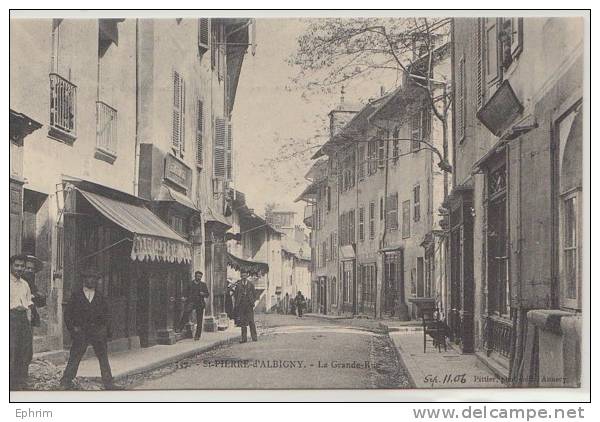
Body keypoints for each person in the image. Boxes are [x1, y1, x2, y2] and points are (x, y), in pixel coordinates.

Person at [60, 268, 122, 390]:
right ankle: (65, 382)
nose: (91, 281)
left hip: (98, 332)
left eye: (94, 278)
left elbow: (107, 315)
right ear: (84, 280)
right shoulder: (76, 295)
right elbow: (68, 315)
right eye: (89, 278)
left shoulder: (100, 296)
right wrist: (73, 330)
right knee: (75, 356)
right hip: (81, 332)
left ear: (97, 281)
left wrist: (106, 331)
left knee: (103, 357)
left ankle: (109, 383)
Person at [10, 254, 34, 390]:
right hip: (10, 318)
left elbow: (28, 303)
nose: (19, 268)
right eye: (17, 265)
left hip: (23, 319)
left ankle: (21, 381)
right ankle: (10, 382)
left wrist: (28, 322)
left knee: (25, 351)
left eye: (22, 266)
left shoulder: (25, 284)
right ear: (11, 266)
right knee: (11, 350)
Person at [177, 271, 209, 340]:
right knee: (186, 313)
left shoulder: (203, 285)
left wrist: (203, 294)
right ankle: (180, 328)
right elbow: (185, 292)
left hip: (200, 303)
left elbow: (207, 294)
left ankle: (197, 335)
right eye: (198, 276)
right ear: (195, 276)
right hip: (191, 302)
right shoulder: (190, 284)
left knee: (199, 320)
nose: (199, 278)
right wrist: (184, 297)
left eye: (200, 277)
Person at [234, 271, 257, 343]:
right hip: (241, 305)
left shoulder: (251, 284)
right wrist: (238, 303)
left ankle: (254, 337)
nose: (244, 276)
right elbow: (236, 295)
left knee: (251, 321)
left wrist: (252, 301)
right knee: (243, 322)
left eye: (245, 275)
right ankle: (244, 339)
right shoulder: (238, 285)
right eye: (242, 275)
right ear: (241, 276)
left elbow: (254, 294)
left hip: (249, 305)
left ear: (247, 276)